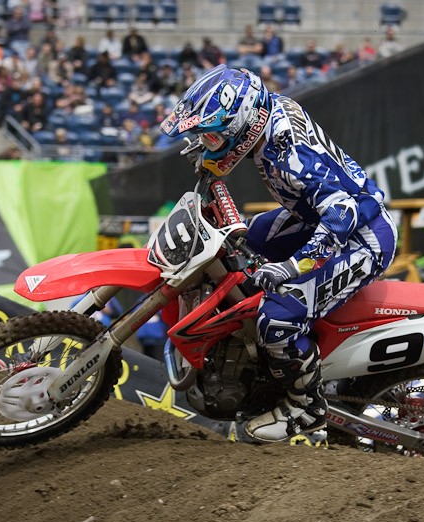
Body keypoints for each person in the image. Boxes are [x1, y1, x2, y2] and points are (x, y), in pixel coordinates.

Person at [159, 65, 396, 442]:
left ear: (241, 126)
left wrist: (291, 267)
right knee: (235, 242)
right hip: (312, 217)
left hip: (361, 235)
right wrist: (209, 153)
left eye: (213, 136)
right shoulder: (266, 112)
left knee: (277, 319)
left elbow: (343, 214)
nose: (208, 142)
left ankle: (307, 406)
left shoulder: (289, 158)